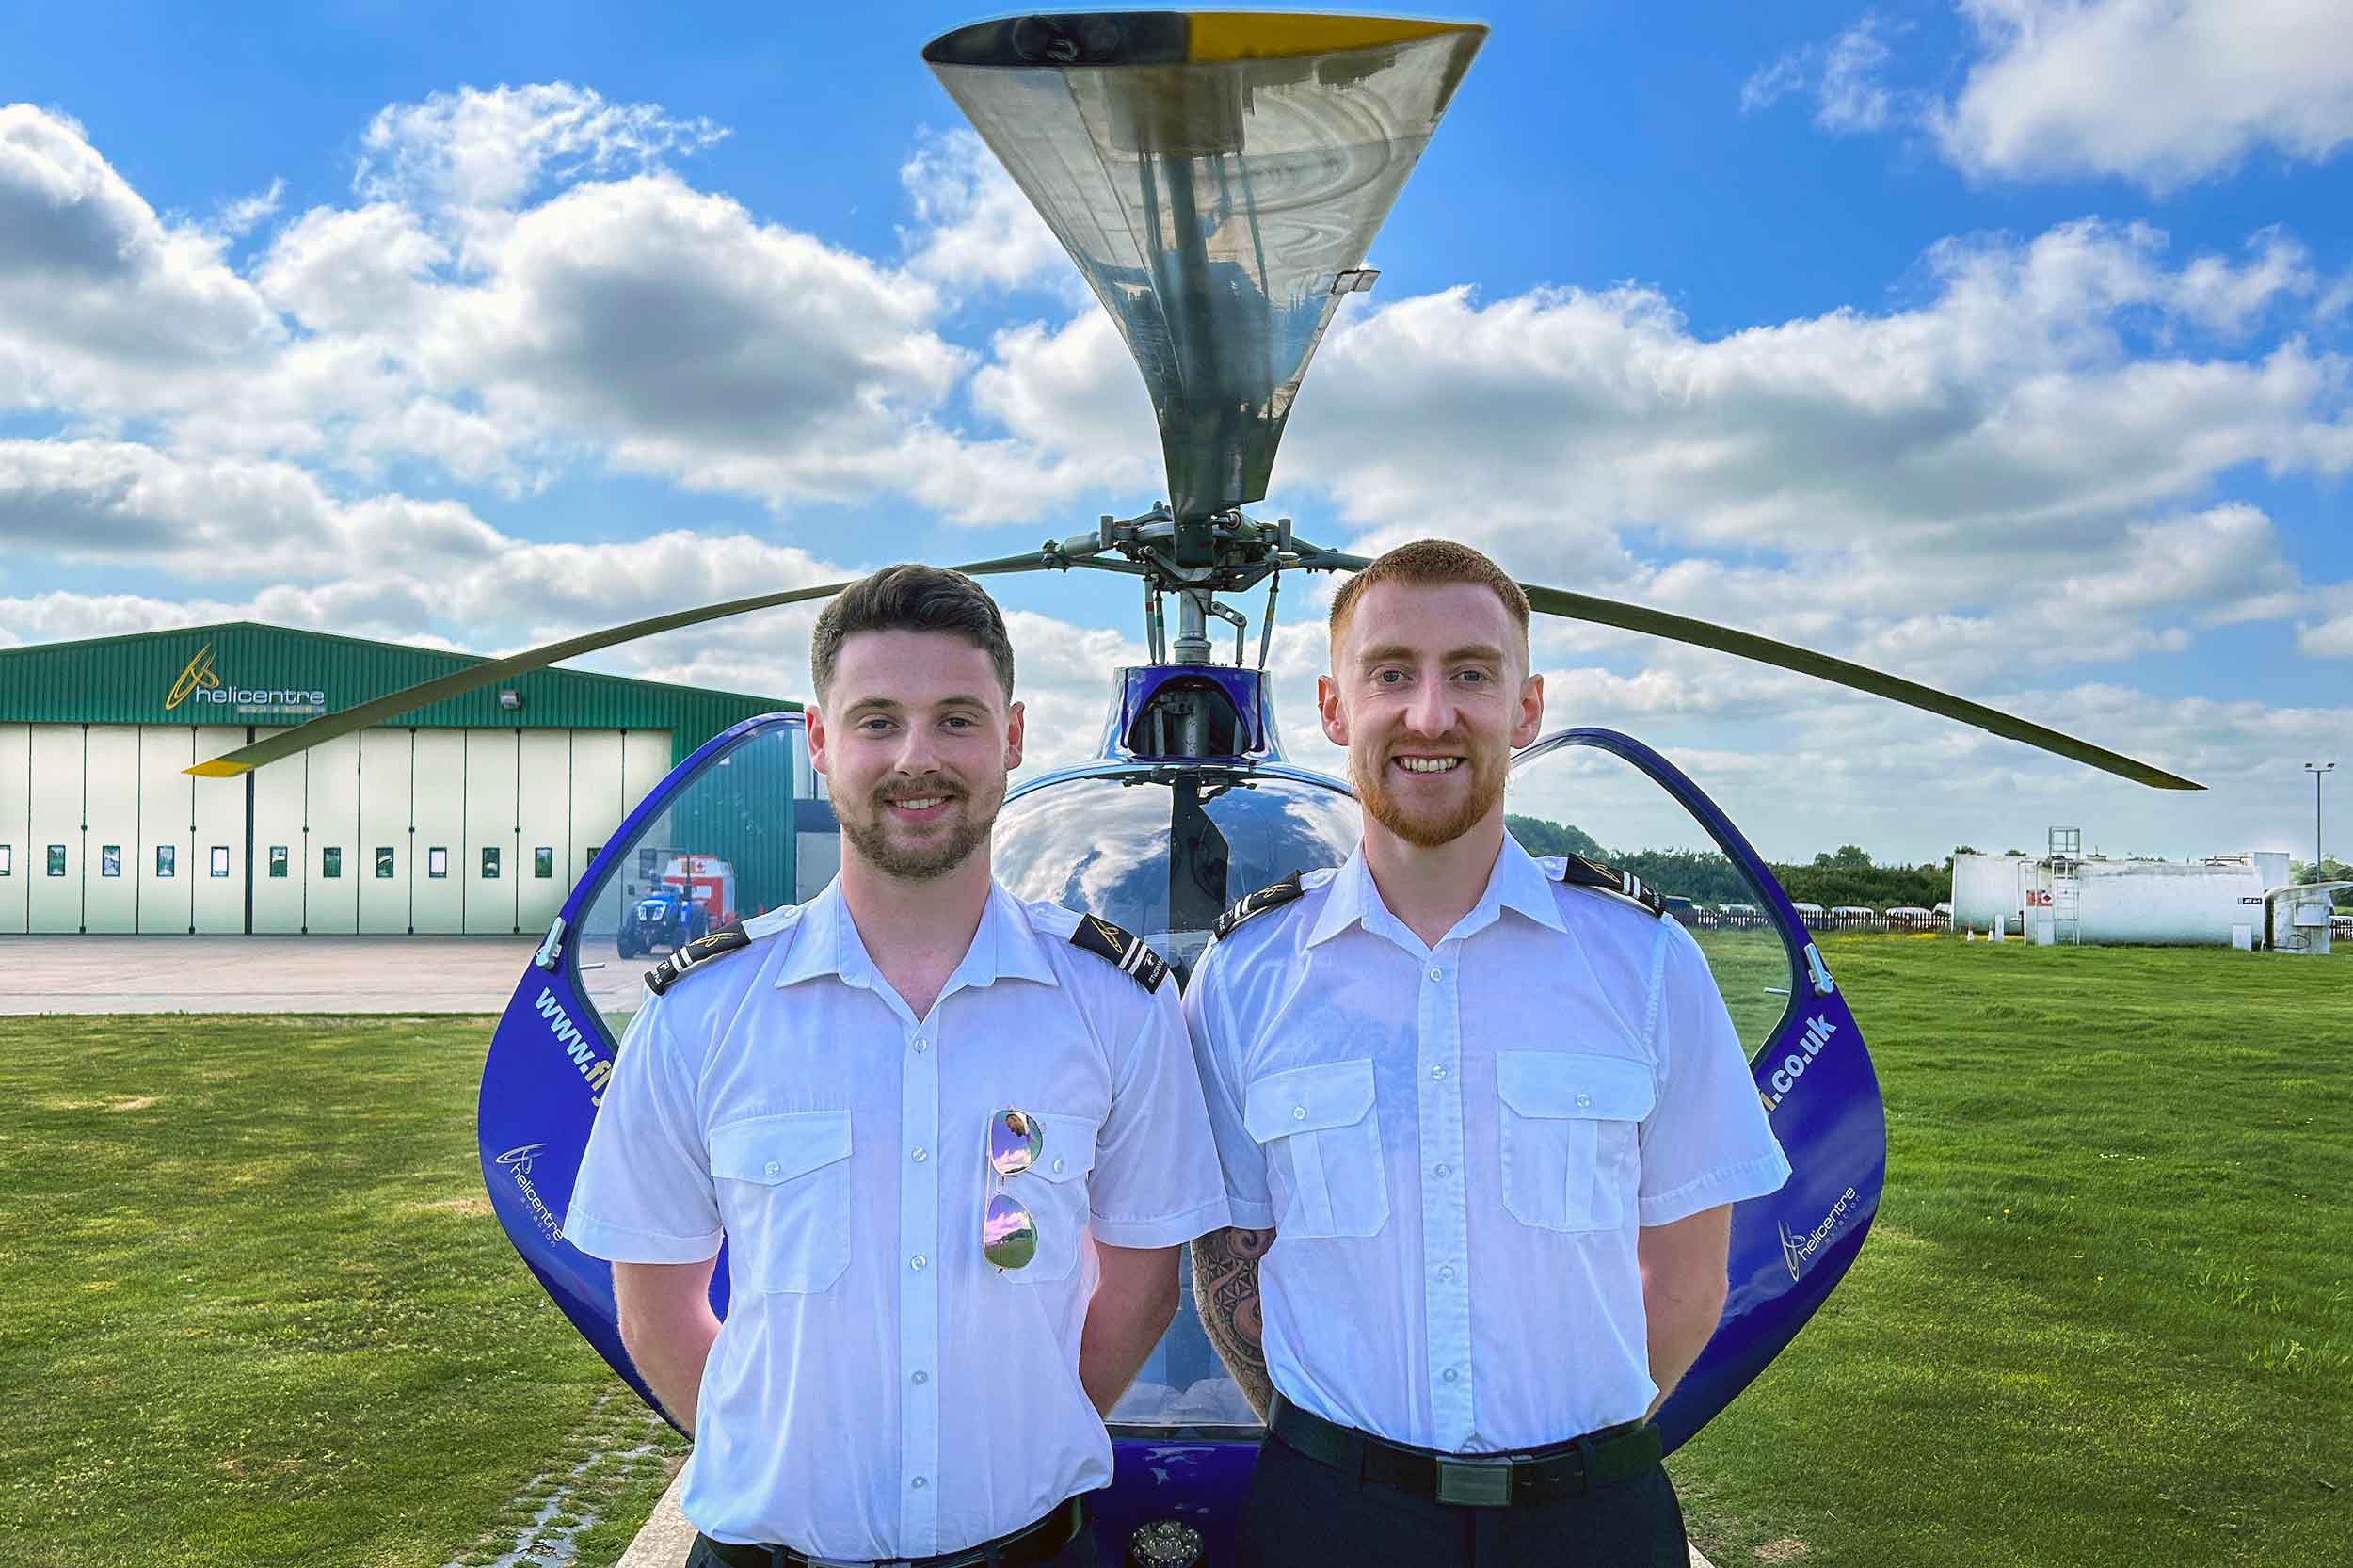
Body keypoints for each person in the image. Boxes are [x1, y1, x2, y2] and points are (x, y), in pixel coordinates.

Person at [566, 564, 1231, 1568]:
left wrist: (1012, 1453)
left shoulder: (1115, 1005)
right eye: (876, 721)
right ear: (821, 743)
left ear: (1011, 736)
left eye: (956, 719)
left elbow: (1140, 1291)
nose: (916, 757)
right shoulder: (703, 1012)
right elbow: (654, 1308)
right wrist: (786, 1472)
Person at [1185, 538, 1791, 1567]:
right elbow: (1226, 1265)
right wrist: (1339, 1455)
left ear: (1526, 707)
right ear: (1335, 710)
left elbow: (1689, 1281)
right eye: (1390, 674)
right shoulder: (1245, 975)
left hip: (1590, 1517)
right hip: (1328, 1517)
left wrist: (1566, 1457)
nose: (1430, 714)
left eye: (1470, 672)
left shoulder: (1642, 961)